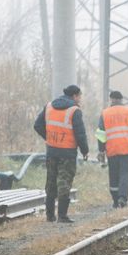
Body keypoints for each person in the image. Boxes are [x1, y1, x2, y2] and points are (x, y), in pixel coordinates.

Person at [34, 85, 89, 223]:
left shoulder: (49, 106)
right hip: (68, 152)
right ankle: (62, 216)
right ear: (75, 96)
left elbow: (37, 125)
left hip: (52, 150)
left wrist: (49, 138)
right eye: (79, 96)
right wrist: (85, 151)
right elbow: (80, 134)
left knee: (51, 182)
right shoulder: (74, 111)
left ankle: (49, 216)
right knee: (64, 182)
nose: (80, 99)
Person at [95, 91, 128, 208]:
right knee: (125, 174)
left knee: (113, 174)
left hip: (112, 149)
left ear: (111, 99)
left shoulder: (105, 113)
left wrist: (101, 150)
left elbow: (101, 134)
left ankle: (115, 199)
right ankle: (122, 198)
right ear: (122, 99)